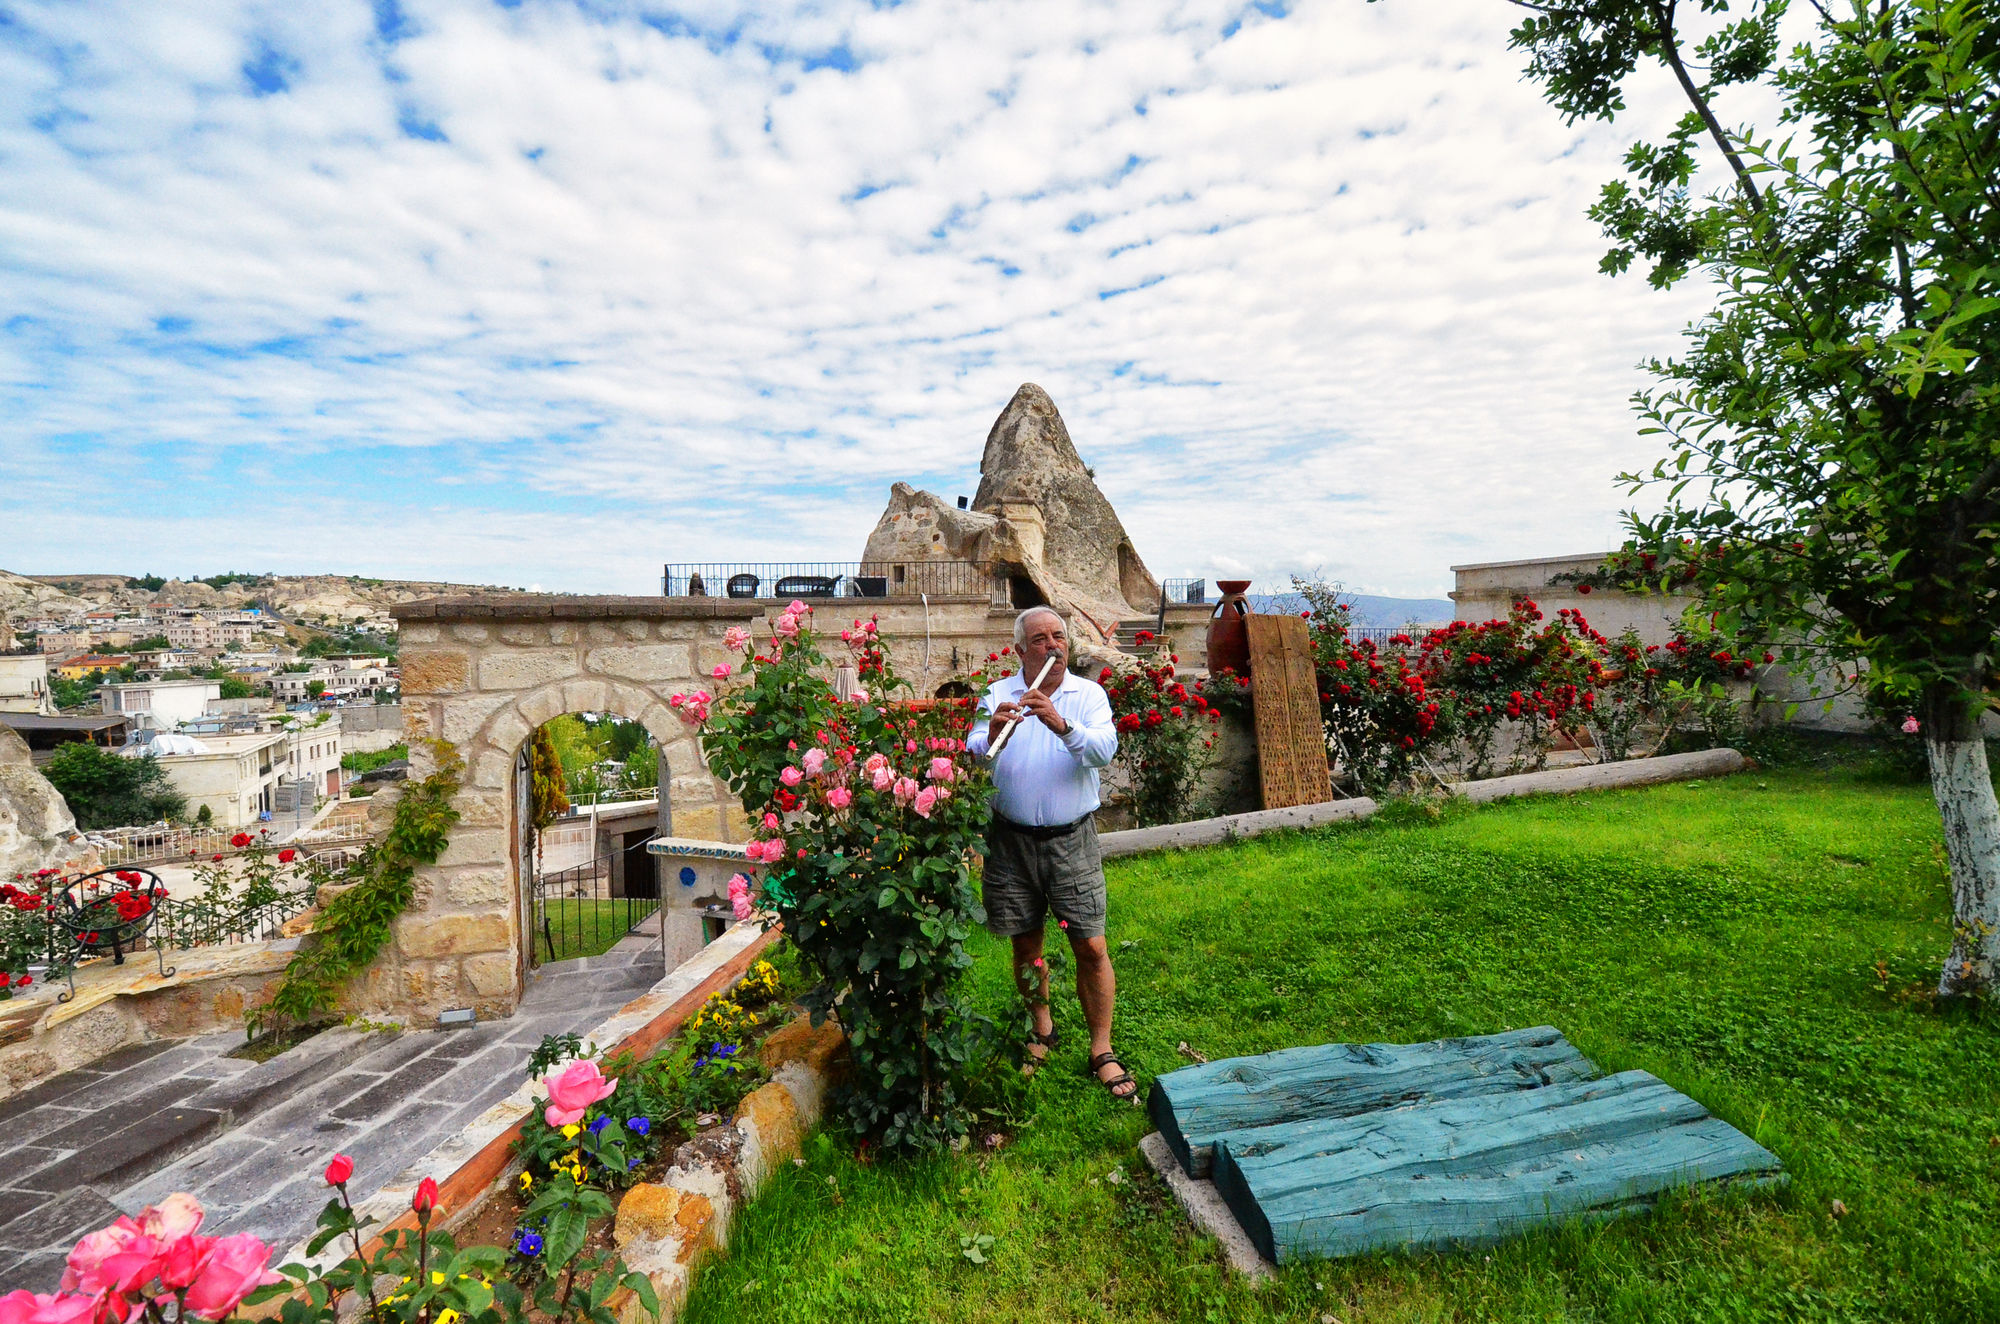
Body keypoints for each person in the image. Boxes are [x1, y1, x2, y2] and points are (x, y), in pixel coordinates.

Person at [966, 605, 1136, 1102]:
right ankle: (1043, 1028)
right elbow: (974, 745)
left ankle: (1101, 1048)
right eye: (1040, 639)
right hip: (1009, 840)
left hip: (1071, 840)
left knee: (1091, 945)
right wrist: (991, 735)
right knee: (1026, 944)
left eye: (1059, 637)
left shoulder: (1088, 695)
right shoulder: (997, 694)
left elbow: (1105, 750)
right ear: (1021, 650)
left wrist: (1062, 725)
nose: (1052, 646)